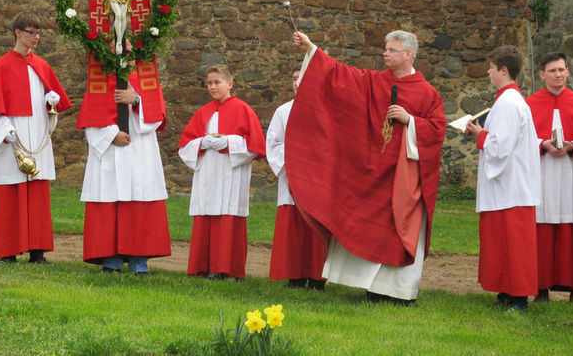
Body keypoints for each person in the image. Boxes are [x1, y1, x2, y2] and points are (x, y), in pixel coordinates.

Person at [286, 29, 446, 305]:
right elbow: (337, 75)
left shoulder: (427, 93)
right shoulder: (371, 82)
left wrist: (410, 121)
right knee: (369, 228)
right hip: (372, 174)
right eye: (385, 49)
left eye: (391, 50)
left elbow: (437, 130)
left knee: (400, 231)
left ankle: (399, 292)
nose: (385, 54)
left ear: (408, 54)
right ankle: (373, 287)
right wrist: (312, 48)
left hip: (403, 179)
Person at [0, 11, 72, 264]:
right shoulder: (1, 66)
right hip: (13, 139)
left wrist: (50, 104)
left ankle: (37, 253)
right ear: (18, 33)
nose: (37, 37)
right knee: (10, 195)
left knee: (37, 196)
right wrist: (5, 131)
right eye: (32, 32)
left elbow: (52, 107)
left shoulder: (41, 65)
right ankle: (7, 253)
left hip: (37, 136)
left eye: (39, 32)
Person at [77, 40, 171, 275]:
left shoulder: (147, 82)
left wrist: (136, 100)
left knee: (139, 201)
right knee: (109, 201)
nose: (123, 55)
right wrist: (111, 135)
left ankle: (139, 259)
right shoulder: (99, 82)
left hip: (140, 152)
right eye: (117, 51)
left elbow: (158, 117)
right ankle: (111, 258)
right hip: (110, 151)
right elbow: (90, 120)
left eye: (128, 51)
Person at [465, 45, 541, 311]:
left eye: (491, 67)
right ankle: (508, 291)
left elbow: (501, 146)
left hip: (512, 187)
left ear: (503, 70)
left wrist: (479, 134)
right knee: (504, 243)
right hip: (509, 187)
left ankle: (518, 296)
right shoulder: (509, 100)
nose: (487, 71)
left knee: (515, 245)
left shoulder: (509, 102)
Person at [178, 64, 266, 280]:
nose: (212, 87)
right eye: (209, 83)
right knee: (206, 215)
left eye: (217, 82)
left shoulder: (244, 110)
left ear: (230, 84)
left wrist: (228, 142)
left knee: (228, 216)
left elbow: (254, 147)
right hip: (208, 173)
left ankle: (228, 269)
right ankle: (204, 266)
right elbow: (185, 147)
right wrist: (202, 143)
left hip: (231, 174)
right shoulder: (203, 112)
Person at [526, 52, 573, 303]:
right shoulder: (529, 104)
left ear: (568, 72)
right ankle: (541, 287)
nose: (558, 75)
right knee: (541, 229)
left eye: (562, 70)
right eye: (552, 71)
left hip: (572, 175)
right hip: (542, 175)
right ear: (542, 74)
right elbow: (521, 141)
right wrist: (542, 144)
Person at [266, 64, 326, 289]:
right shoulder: (283, 111)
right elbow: (273, 143)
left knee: (317, 228)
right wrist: (295, 155)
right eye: (294, 78)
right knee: (294, 228)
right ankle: (296, 275)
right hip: (292, 176)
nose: (296, 82)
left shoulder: (327, 109)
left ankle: (318, 278)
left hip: (318, 178)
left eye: (302, 78)